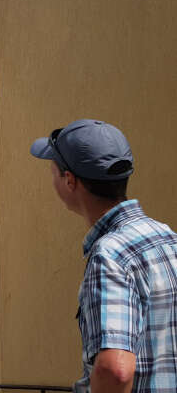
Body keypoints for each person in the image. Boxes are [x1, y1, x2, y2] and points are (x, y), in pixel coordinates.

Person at [30, 119, 177, 392]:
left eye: (53, 170)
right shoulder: (168, 238)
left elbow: (115, 370)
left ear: (69, 180)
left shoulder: (110, 256)